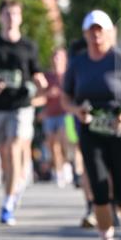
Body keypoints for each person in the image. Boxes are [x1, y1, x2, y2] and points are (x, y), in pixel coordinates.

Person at [62, 10, 121, 240]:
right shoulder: (77, 63)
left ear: (110, 33)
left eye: (101, 30)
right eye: (92, 30)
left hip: (118, 128)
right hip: (90, 130)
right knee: (98, 187)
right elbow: (66, 96)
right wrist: (75, 110)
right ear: (85, 34)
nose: (96, 35)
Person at [0, 0, 47, 225]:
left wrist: (41, 83)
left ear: (21, 18)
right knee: (4, 152)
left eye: (15, 14)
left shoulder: (28, 46)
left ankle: (8, 202)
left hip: (21, 105)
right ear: (0, 17)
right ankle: (14, 185)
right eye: (7, 14)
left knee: (15, 146)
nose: (11, 18)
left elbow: (35, 72)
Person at [42, 47, 72, 187]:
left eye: (59, 57)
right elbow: (40, 95)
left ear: (65, 59)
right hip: (50, 114)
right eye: (54, 57)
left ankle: (66, 165)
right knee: (53, 145)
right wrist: (48, 94)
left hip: (65, 114)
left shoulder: (69, 75)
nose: (56, 60)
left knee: (63, 141)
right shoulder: (47, 76)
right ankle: (59, 171)